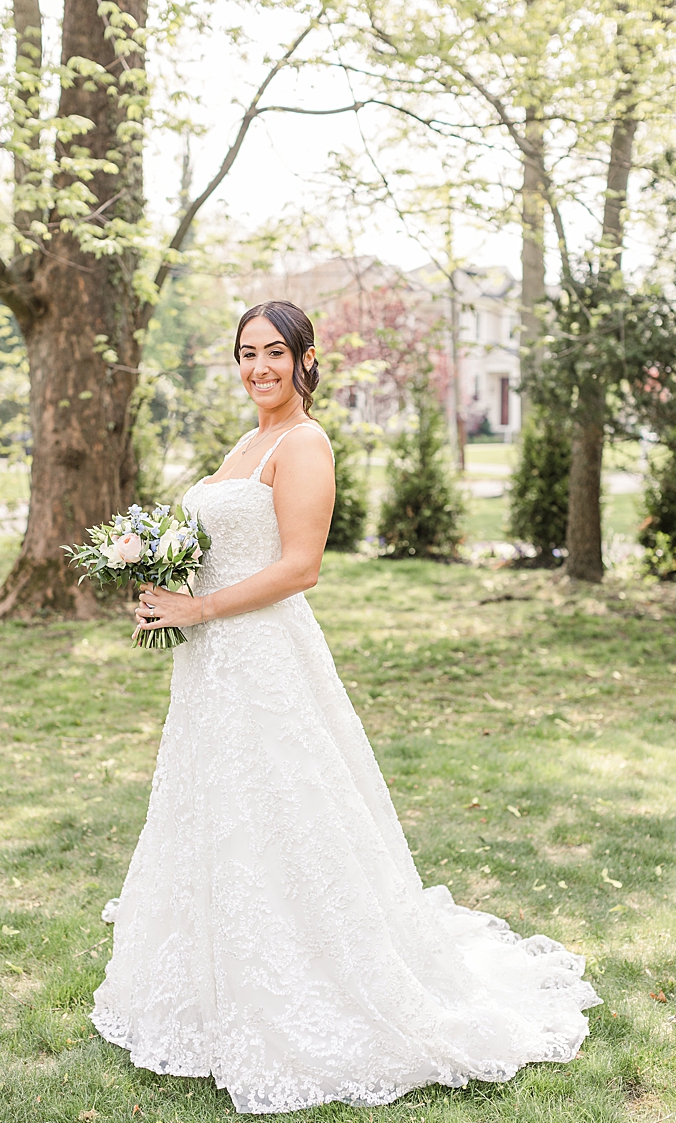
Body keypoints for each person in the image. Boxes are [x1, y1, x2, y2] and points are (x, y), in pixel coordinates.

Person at [93, 301, 599, 1115]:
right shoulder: (245, 443)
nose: (259, 367)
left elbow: (300, 567)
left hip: (265, 657)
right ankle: (213, 979)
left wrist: (204, 610)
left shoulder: (305, 443)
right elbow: (219, 547)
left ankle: (312, 976)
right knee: (222, 809)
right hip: (214, 667)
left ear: (305, 359)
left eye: (274, 353)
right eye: (246, 353)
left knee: (289, 807)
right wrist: (167, 588)